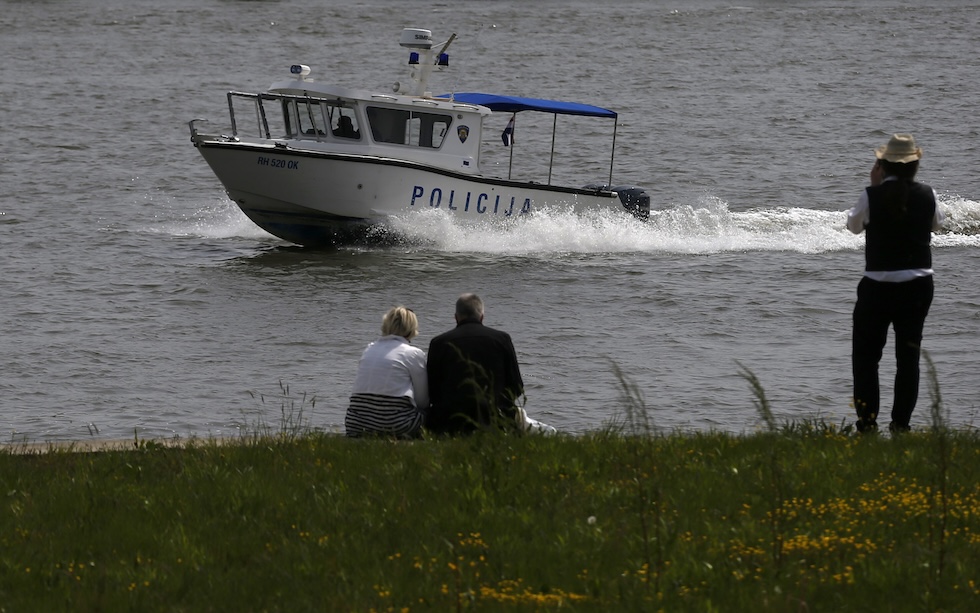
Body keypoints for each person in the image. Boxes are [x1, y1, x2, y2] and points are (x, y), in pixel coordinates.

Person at [847, 133, 944, 434]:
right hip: (918, 285)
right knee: (908, 357)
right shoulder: (929, 193)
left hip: (877, 286)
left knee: (866, 357)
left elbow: (852, 227)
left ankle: (867, 423)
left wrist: (875, 190)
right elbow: (937, 225)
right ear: (914, 165)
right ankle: (901, 424)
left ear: (883, 165)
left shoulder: (871, 194)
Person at [426, 294, 526, 434]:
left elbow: (432, 391)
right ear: (482, 316)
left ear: (456, 317)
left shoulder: (439, 343)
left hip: (450, 423)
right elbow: (517, 387)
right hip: (495, 421)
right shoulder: (502, 339)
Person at [345, 306, 428, 438]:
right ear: (411, 329)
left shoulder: (369, 349)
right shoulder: (413, 353)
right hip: (395, 425)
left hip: (355, 423)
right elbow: (423, 401)